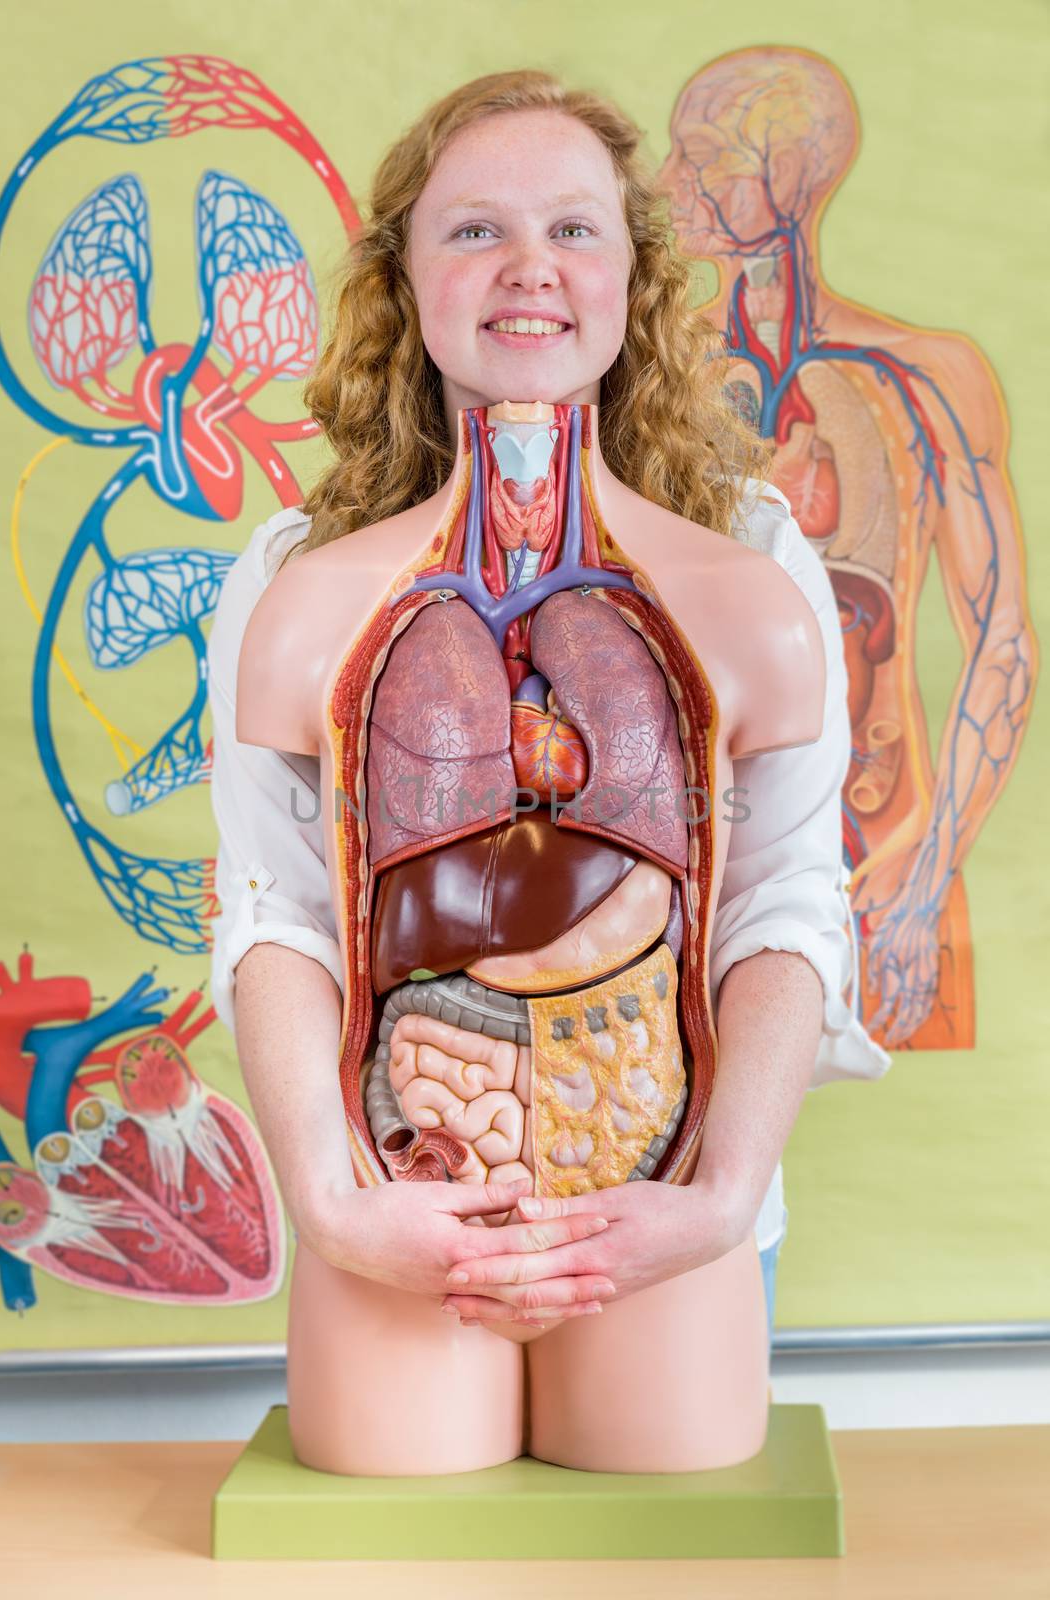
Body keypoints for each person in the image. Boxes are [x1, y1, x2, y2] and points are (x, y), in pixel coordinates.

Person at [208, 70, 889, 1475]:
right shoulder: (293, 580)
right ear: (404, 275)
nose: (529, 271)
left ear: (634, 273)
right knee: (397, 1510)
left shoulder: (752, 563)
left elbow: (785, 900)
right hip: (408, 1175)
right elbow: (275, 909)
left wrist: (717, 1193)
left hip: (661, 1178)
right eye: (473, 233)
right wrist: (335, 1202)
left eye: (573, 230)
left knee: (669, 1495)